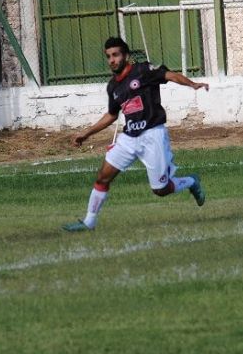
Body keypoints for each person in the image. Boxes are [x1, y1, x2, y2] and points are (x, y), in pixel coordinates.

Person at [62, 37, 208, 232]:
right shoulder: (113, 87)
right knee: (103, 177)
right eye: (108, 56)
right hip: (129, 138)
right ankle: (89, 222)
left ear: (126, 56)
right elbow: (112, 115)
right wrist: (86, 134)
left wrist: (192, 84)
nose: (111, 60)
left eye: (115, 55)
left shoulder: (143, 71)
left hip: (152, 135)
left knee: (160, 190)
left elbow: (169, 75)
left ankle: (191, 181)